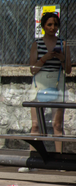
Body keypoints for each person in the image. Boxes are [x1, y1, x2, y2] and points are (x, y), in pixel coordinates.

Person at [29, 12, 72, 152]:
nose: (53, 28)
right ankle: (33, 158)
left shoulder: (63, 44)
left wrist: (62, 58)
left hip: (56, 83)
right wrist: (44, 58)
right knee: (35, 125)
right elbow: (33, 69)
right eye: (49, 24)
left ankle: (59, 158)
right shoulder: (36, 44)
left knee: (57, 125)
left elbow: (68, 70)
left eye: (55, 25)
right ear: (43, 26)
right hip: (39, 84)